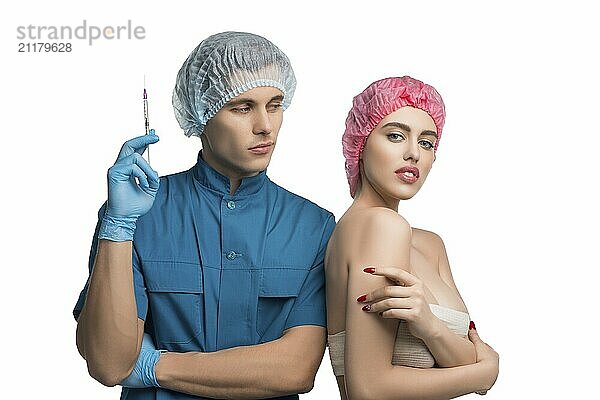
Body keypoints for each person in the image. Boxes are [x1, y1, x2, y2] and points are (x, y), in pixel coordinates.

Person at [73, 31, 335, 400]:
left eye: (275, 105)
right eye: (242, 108)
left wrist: (153, 366)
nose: (266, 125)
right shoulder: (140, 213)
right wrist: (118, 227)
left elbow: (295, 370)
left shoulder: (313, 226)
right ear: (202, 112)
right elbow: (110, 363)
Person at [325, 76, 499, 399]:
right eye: (395, 135)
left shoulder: (430, 244)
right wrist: (484, 373)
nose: (413, 154)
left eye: (426, 142)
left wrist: (430, 326)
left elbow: (466, 355)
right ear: (360, 144)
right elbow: (369, 390)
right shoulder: (379, 226)